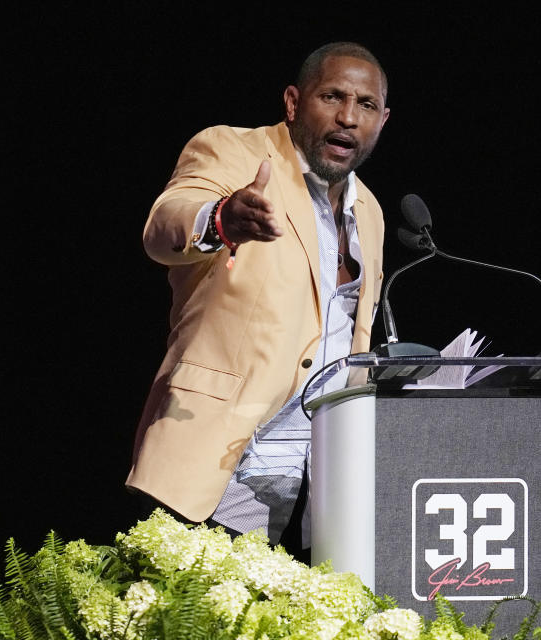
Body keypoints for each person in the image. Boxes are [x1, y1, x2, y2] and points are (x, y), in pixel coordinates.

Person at [125, 42, 390, 560]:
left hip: (326, 476)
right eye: (331, 96)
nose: (347, 117)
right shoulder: (235, 152)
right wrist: (220, 219)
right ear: (293, 102)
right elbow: (166, 224)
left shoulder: (372, 212)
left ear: (382, 119)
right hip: (226, 462)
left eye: (365, 105)